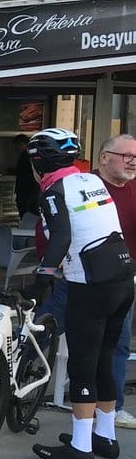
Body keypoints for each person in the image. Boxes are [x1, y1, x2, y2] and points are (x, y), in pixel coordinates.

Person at [27, 129, 134, 459]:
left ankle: (80, 448)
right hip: (122, 278)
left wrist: (40, 278)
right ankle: (104, 437)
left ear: (39, 162)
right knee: (104, 359)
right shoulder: (90, 180)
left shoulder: (53, 190)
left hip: (91, 284)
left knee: (82, 365)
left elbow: (61, 236)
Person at [94, 133, 136, 429]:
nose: (132, 163)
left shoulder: (134, 188)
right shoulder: (85, 186)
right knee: (44, 332)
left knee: (118, 343)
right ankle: (11, 390)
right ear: (104, 157)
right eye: (126, 156)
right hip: (82, 279)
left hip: (123, 280)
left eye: (135, 158)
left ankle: (113, 408)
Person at [12, 134, 40, 219]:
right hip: (34, 190)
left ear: (22, 144)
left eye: (17, 146)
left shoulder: (26, 155)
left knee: (26, 213)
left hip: (26, 191)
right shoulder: (34, 154)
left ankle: (27, 230)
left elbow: (23, 171)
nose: (16, 149)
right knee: (33, 213)